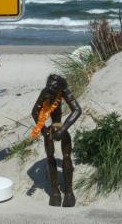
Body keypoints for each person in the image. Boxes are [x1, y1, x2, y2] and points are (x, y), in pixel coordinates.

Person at [31, 74, 82, 207]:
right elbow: (35, 112)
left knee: (66, 157)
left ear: (59, 88)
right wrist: (43, 130)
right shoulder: (46, 91)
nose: (50, 90)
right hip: (51, 128)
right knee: (50, 157)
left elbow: (77, 110)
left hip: (60, 126)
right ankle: (55, 192)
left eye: (54, 88)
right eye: (49, 87)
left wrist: (63, 129)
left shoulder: (64, 91)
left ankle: (69, 192)